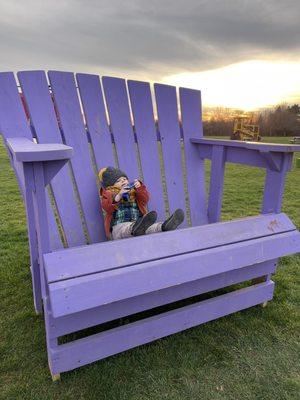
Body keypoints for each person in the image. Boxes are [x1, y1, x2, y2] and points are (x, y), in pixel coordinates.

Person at [99, 166, 184, 240]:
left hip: (138, 223)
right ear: (111, 185)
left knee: (148, 227)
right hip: (119, 227)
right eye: (118, 181)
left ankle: (164, 226)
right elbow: (107, 207)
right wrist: (119, 195)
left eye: (124, 179)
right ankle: (135, 228)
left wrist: (139, 188)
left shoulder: (134, 192)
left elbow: (145, 200)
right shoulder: (109, 194)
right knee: (126, 229)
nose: (123, 181)